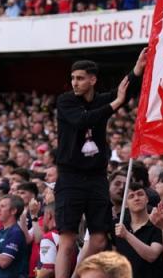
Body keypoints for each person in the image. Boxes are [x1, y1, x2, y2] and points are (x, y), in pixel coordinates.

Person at [54, 52, 146, 278]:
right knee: (67, 239)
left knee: (99, 238)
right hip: (70, 177)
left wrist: (137, 70)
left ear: (92, 80)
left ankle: (76, 275)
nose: (75, 82)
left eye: (80, 78)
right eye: (73, 78)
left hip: (96, 177)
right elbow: (83, 119)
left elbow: (124, 92)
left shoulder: (100, 101)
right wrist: (115, 103)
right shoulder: (65, 101)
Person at [113, 183, 163, 278]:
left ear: (147, 199)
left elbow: (152, 255)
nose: (136, 198)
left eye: (140, 194)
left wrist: (127, 235)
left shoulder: (157, 224)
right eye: (131, 196)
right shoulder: (118, 225)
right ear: (125, 204)